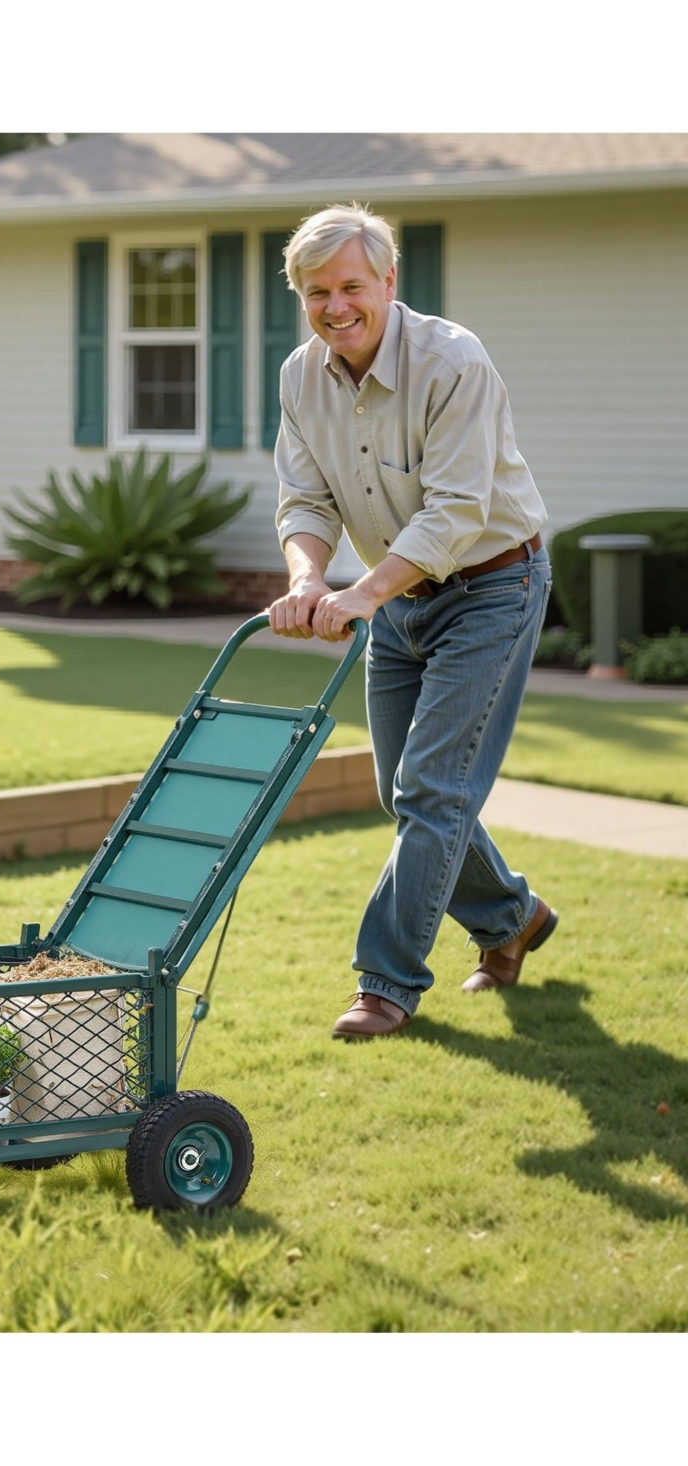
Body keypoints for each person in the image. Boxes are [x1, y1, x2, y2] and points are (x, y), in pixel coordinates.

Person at [268, 203, 557, 1040]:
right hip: (395, 600)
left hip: (492, 587)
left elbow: (458, 508)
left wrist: (360, 594)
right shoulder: (299, 376)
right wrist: (310, 577)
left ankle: (385, 983)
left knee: (432, 790)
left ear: (389, 282)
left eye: (350, 286)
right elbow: (305, 497)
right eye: (316, 292)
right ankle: (513, 920)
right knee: (411, 792)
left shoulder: (453, 361)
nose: (335, 307)